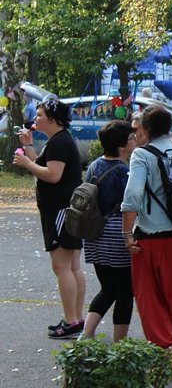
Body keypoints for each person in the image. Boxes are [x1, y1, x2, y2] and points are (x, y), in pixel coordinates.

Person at [120, 106, 172, 371]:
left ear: (146, 128)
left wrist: (126, 233)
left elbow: (132, 196)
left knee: (153, 296)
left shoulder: (142, 155)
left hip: (154, 237)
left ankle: (163, 354)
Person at [13, 99, 85, 339]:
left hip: (60, 210)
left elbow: (53, 176)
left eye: (40, 114)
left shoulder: (59, 142)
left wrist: (25, 163)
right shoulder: (59, 140)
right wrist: (29, 147)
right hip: (65, 209)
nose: (36, 118)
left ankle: (71, 319)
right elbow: (44, 165)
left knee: (62, 266)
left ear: (53, 119)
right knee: (72, 266)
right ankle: (75, 319)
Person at [81, 120, 136, 341]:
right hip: (116, 234)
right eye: (131, 138)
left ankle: (86, 334)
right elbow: (130, 205)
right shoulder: (124, 171)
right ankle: (120, 343)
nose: (134, 141)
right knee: (125, 292)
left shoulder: (94, 165)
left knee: (107, 288)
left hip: (94, 232)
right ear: (122, 146)